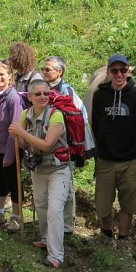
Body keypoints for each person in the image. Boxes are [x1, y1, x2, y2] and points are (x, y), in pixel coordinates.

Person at [91, 54, 136, 241]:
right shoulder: (100, 95)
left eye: (123, 70)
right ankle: (107, 233)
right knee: (103, 203)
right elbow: (95, 126)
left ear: (128, 71)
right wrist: (97, 153)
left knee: (129, 203)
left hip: (130, 161)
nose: (119, 75)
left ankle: (124, 237)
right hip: (105, 160)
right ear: (108, 72)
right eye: (114, 71)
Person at [8, 79, 71, 268]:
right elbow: (24, 144)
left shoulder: (56, 115)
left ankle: (56, 255)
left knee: (54, 210)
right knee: (42, 206)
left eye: (46, 93)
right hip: (38, 168)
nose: (43, 96)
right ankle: (45, 239)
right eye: (38, 94)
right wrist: (16, 137)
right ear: (30, 97)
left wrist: (21, 133)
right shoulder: (25, 116)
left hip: (58, 169)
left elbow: (46, 145)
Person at [41, 55, 94, 236]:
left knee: (66, 186)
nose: (44, 72)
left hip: (66, 147)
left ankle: (67, 226)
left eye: (48, 69)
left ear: (59, 72)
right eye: (43, 69)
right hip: (46, 144)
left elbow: (80, 118)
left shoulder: (67, 91)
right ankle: (52, 224)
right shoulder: (42, 90)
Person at [0, 59, 24, 232]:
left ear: (10, 77)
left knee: (13, 183)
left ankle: (16, 216)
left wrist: (9, 154)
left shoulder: (13, 99)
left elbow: (15, 128)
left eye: (2, 74)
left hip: (10, 148)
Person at [8, 42, 43, 108]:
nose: (9, 59)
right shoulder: (15, 76)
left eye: (12, 57)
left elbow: (39, 102)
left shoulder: (34, 78)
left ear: (20, 59)